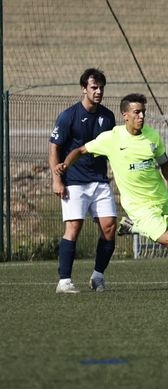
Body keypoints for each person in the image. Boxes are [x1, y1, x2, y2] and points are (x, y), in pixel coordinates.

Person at [55, 93, 168, 296]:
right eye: (136, 112)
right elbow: (80, 150)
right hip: (139, 208)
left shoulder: (152, 136)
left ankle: (134, 228)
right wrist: (65, 165)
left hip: (161, 199)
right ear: (125, 115)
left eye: (143, 112)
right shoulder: (112, 138)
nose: (141, 116)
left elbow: (164, 162)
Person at [49, 68, 118, 294]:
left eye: (101, 88)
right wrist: (56, 180)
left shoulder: (108, 117)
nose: (98, 92)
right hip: (74, 181)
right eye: (93, 87)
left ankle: (97, 277)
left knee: (109, 228)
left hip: (99, 181)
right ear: (84, 89)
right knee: (74, 227)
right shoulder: (68, 115)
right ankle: (64, 281)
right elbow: (54, 149)